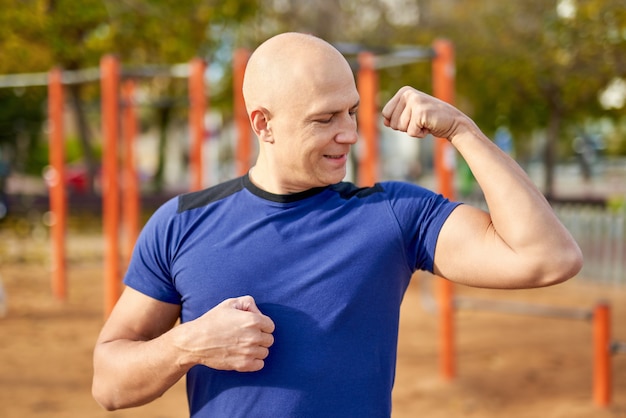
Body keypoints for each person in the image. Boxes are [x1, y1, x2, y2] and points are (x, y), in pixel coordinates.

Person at [92, 32, 582, 417]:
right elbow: (109, 384)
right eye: (325, 118)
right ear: (263, 124)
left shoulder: (393, 214)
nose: (349, 133)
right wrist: (188, 344)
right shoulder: (181, 224)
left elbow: (547, 258)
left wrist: (463, 131)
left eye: (351, 111)